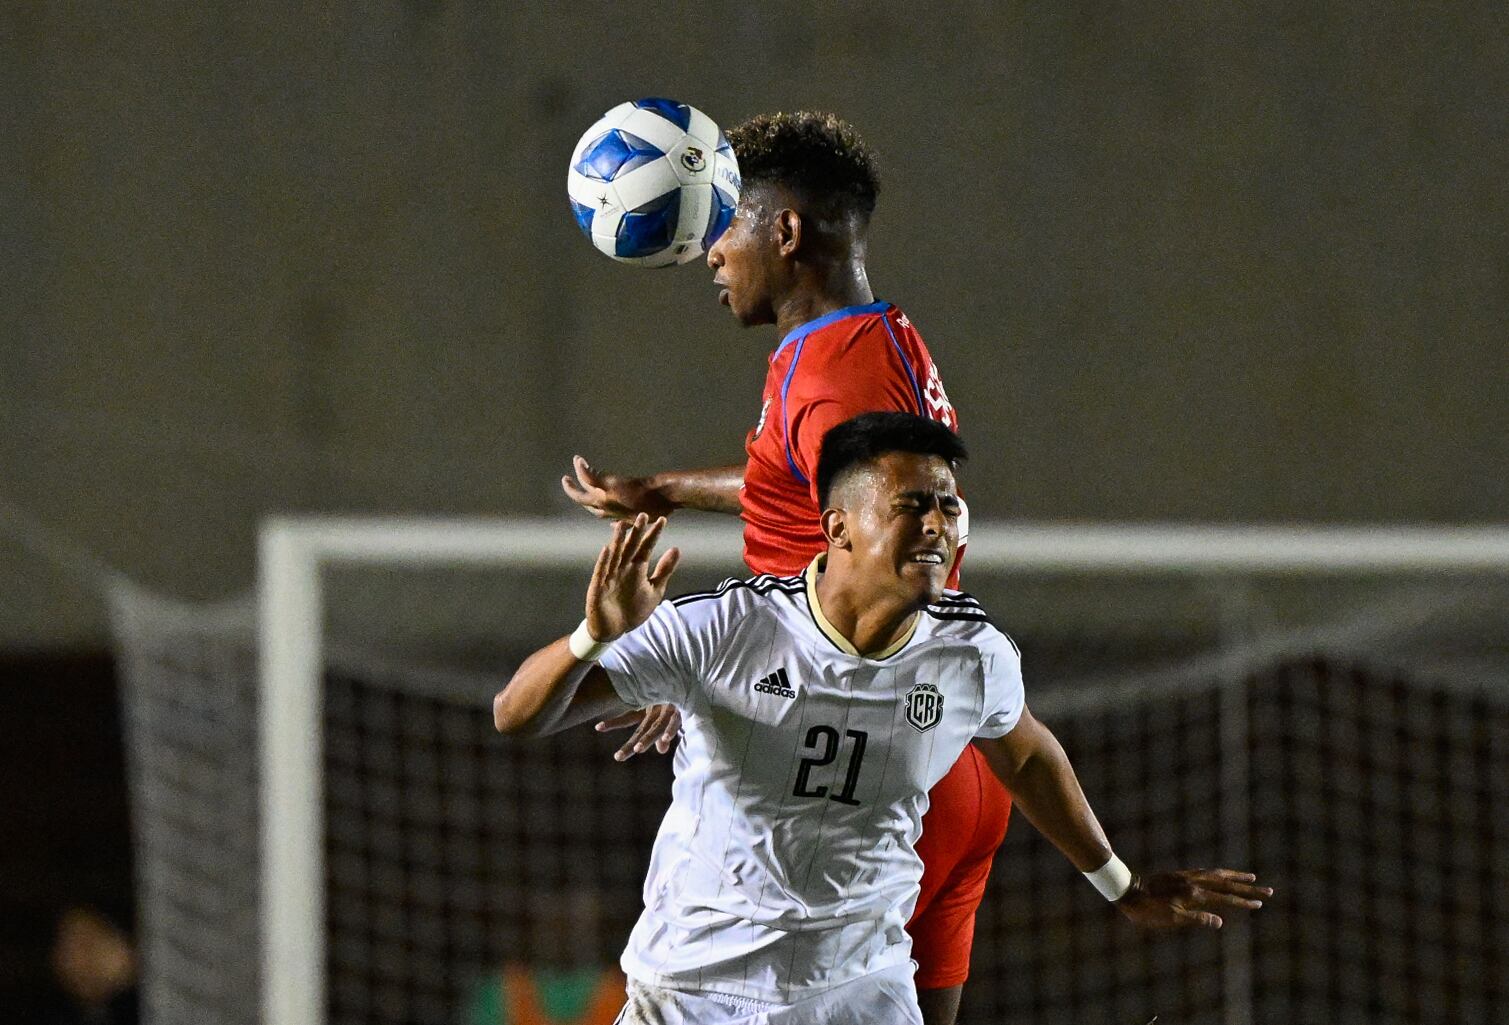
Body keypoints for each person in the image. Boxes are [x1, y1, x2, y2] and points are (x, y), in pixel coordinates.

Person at [509, 413, 1269, 1025]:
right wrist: (593, 637)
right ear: (837, 528)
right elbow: (519, 714)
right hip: (692, 987)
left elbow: (1026, 753)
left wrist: (1118, 882)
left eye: (947, 504)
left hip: (855, 990)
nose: (937, 524)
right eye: (912, 505)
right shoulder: (726, 629)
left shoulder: (970, 653)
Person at [562, 110, 1001, 1025]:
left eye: (724, 222)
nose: (710, 255)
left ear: (785, 231)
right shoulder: (856, 346)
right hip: (931, 751)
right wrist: (662, 487)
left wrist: (713, 672)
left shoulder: (837, 377)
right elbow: (800, 489)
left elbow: (861, 566)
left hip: (863, 767)